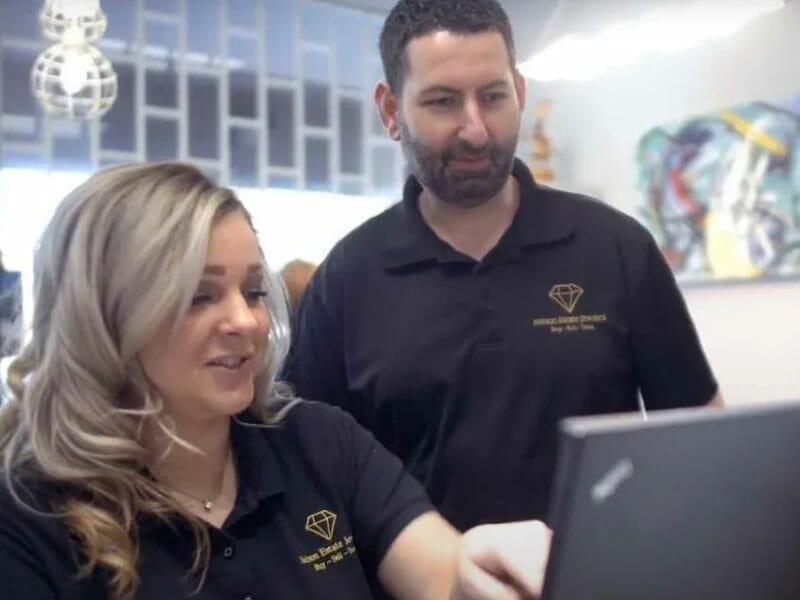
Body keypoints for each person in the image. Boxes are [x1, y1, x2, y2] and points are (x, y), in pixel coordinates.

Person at [0, 162, 550, 600]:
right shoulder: (29, 515)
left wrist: (479, 566)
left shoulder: (318, 442)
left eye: (255, 291)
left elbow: (441, 574)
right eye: (200, 296)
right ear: (106, 316)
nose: (245, 321)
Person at [283, 0, 722, 532]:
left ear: (519, 90)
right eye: (443, 102)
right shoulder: (347, 280)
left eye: (492, 97)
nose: (475, 130)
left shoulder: (616, 249)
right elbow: (309, 474)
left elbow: (703, 438)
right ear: (391, 111)